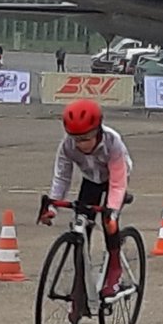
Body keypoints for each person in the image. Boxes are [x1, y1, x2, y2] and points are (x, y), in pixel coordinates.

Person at [37, 99, 132, 299]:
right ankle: (81, 280)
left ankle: (115, 270)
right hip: (90, 180)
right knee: (81, 223)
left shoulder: (113, 142)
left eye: (86, 138)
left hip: (114, 179)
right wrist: (52, 208)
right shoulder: (67, 146)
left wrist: (112, 212)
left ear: (98, 131)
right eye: (76, 139)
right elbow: (62, 178)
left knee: (108, 222)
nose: (81, 144)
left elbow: (117, 184)